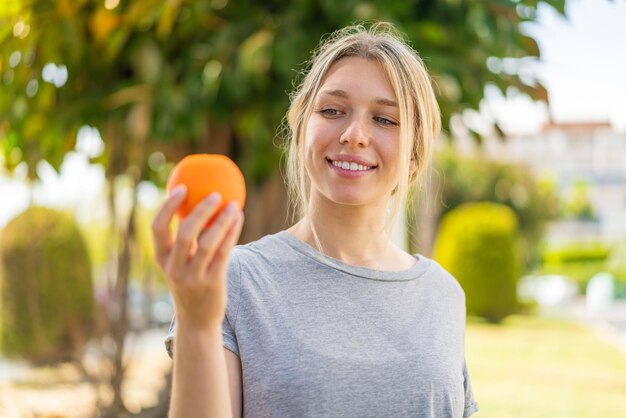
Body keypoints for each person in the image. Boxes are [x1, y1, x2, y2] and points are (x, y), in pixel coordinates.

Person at [152, 22, 479, 418]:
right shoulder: (235, 280)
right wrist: (197, 323)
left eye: (385, 120)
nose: (354, 134)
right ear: (301, 127)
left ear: (414, 153)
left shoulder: (444, 294)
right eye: (332, 111)